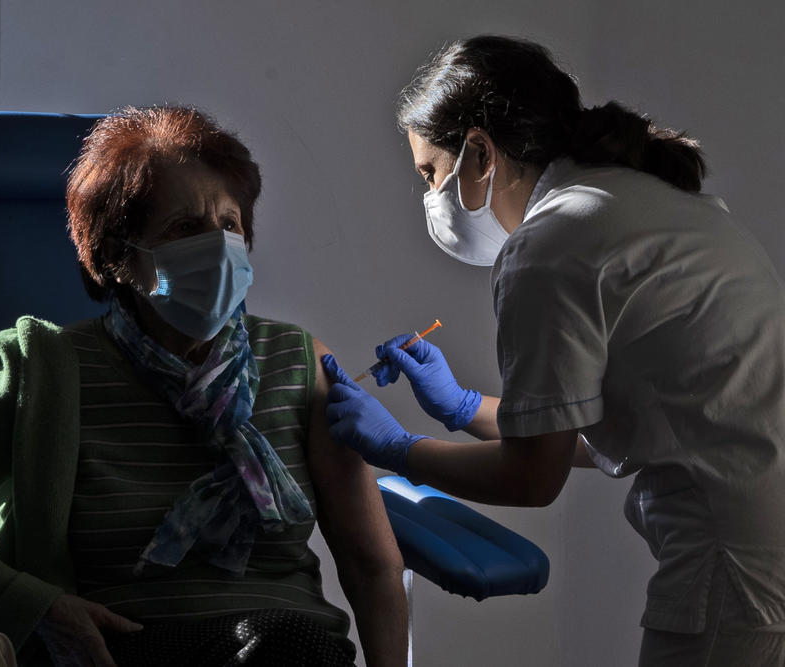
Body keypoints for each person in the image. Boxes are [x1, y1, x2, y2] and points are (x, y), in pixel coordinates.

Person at [0, 106, 408, 667]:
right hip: (119, 651)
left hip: (287, 648)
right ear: (118, 257)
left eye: (230, 224)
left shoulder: (299, 361)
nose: (218, 248)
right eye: (185, 228)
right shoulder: (45, 372)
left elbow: (371, 564)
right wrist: (37, 606)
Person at [322, 35, 785, 666]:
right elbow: (650, 423)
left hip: (736, 576)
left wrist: (398, 449)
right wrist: (461, 408)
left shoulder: (547, 245)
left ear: (480, 152)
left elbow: (532, 475)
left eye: (429, 173)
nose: (429, 196)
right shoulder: (652, 205)